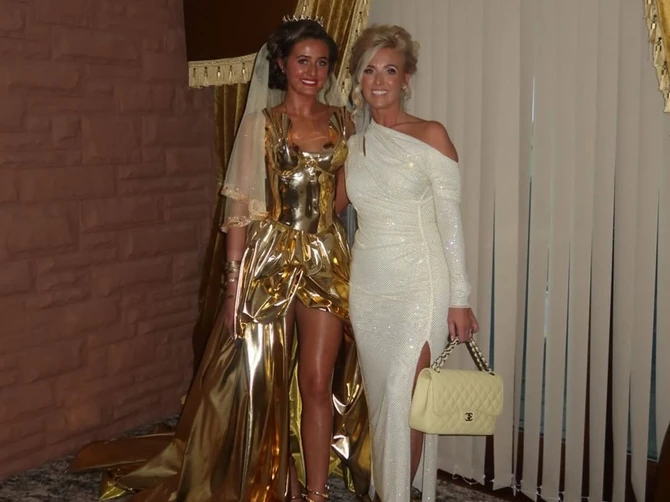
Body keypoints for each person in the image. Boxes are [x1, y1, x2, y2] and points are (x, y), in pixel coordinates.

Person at [68, 18, 370, 502]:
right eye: (302, 61)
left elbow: (341, 197)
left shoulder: (343, 122)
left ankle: (316, 494)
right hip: (268, 260)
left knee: (317, 381)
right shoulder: (261, 124)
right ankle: (281, 479)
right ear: (282, 64)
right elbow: (239, 210)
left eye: (321, 62)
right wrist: (234, 287)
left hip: (323, 259)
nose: (312, 71)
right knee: (264, 384)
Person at [344, 25, 479, 502]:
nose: (379, 80)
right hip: (368, 288)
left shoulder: (430, 135)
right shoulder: (353, 146)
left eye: (390, 70)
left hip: (420, 287)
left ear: (406, 79)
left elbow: (451, 223)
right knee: (384, 404)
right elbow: (326, 208)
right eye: (369, 71)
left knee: (406, 401)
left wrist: (460, 298)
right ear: (358, 80)